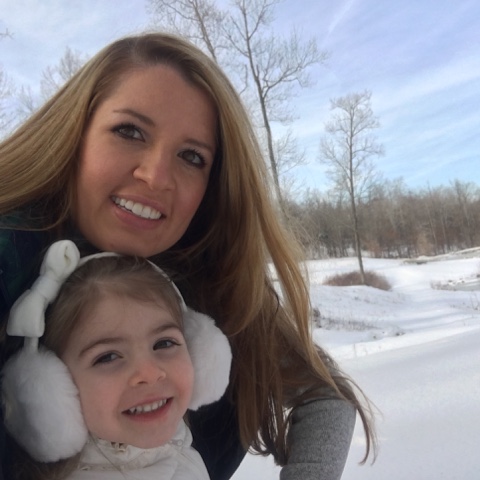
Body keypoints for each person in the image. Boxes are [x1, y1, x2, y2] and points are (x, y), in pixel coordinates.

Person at [0, 32, 376, 480]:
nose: (157, 176)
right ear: (73, 134)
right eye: (129, 131)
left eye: (192, 156)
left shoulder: (213, 282)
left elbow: (322, 393)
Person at [1, 239, 232, 479]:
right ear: (50, 394)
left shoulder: (180, 448)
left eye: (164, 343)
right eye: (108, 357)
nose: (149, 373)